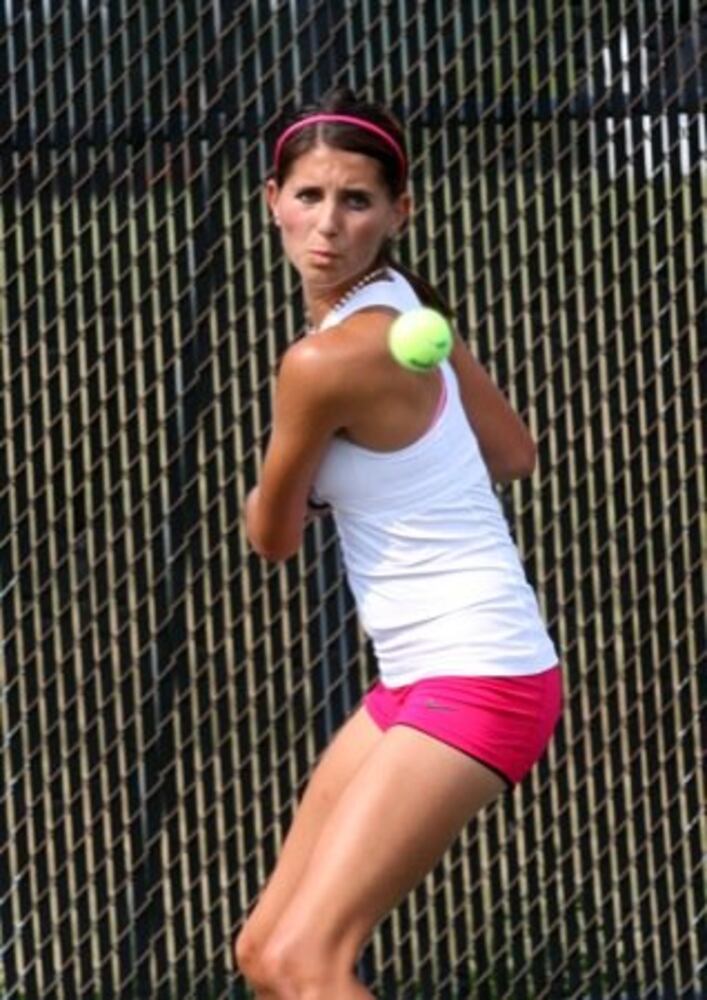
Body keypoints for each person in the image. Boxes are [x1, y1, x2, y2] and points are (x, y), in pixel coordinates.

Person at [233, 88, 563, 1000]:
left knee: (310, 962)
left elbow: (273, 537)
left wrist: (267, 487)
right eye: (308, 197)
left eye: (356, 201)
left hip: (479, 674)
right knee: (265, 952)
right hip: (418, 677)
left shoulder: (323, 362)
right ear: (272, 200)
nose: (327, 225)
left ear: (397, 211)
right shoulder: (408, 309)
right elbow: (513, 451)